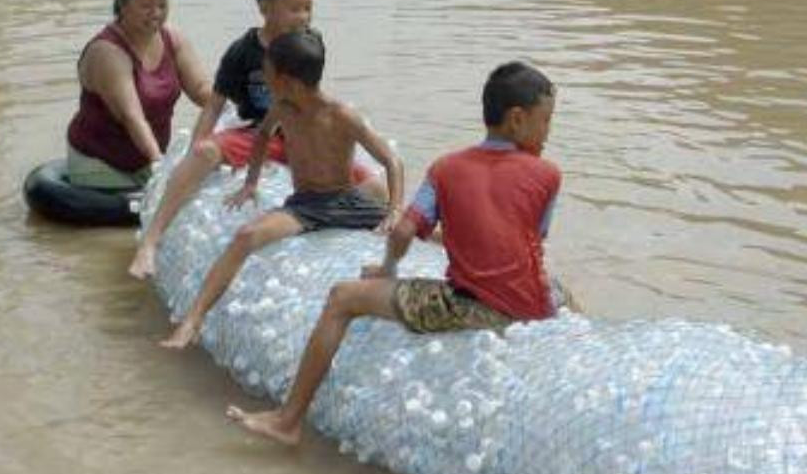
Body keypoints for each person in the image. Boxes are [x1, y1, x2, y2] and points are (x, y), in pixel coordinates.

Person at [226, 61, 573, 445]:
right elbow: (531, 239)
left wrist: (388, 269)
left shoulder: (445, 169)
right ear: (517, 120)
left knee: (342, 298)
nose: (548, 132)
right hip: (535, 305)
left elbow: (405, 230)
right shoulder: (548, 175)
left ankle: (287, 420)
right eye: (546, 122)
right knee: (565, 292)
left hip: (467, 307)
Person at [129, 0, 382, 279]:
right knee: (204, 153)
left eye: (307, 8)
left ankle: (371, 249)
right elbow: (214, 105)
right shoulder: (242, 52)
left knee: (374, 185)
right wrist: (198, 145)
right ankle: (150, 244)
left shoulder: (310, 41)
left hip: (299, 134)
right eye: (294, 9)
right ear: (265, 8)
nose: (303, 17)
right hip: (256, 132)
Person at [160, 29, 404, 350]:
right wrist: (251, 182)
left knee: (425, 230)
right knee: (246, 237)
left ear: (288, 80)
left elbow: (392, 161)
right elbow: (261, 137)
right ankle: (192, 321)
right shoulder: (281, 107)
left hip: (346, 201)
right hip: (305, 205)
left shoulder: (341, 115)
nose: (264, 78)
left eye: (268, 73)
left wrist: (396, 209)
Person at [67, 0, 212, 189]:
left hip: (146, 161)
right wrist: (159, 165)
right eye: (146, 5)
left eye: (162, 5)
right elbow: (132, 117)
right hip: (100, 164)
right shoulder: (107, 53)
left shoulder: (173, 37)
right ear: (122, 4)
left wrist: (242, 111)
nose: (156, 13)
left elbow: (200, 90)